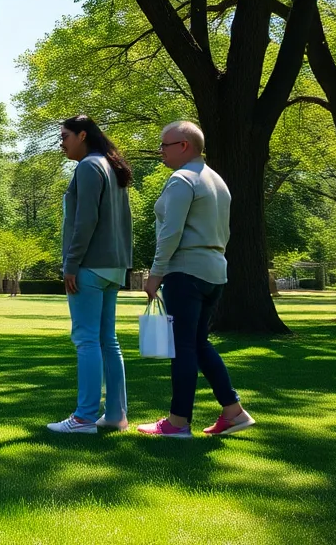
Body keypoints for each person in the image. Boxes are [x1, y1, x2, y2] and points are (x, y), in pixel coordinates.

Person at [137, 121, 256, 438]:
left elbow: (170, 233)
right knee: (198, 344)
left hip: (185, 272)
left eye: (165, 144)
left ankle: (177, 423)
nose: (160, 150)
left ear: (184, 146)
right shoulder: (217, 181)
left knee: (182, 348)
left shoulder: (182, 180)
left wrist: (155, 273)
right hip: (214, 272)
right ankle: (233, 412)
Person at [47, 115, 133, 435]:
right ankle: (115, 415)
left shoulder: (87, 167)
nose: (62, 143)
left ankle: (84, 417)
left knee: (85, 340)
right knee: (106, 340)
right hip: (113, 266)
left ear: (83, 135)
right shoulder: (110, 166)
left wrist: (70, 264)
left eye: (66, 136)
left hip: (90, 266)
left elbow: (85, 222)